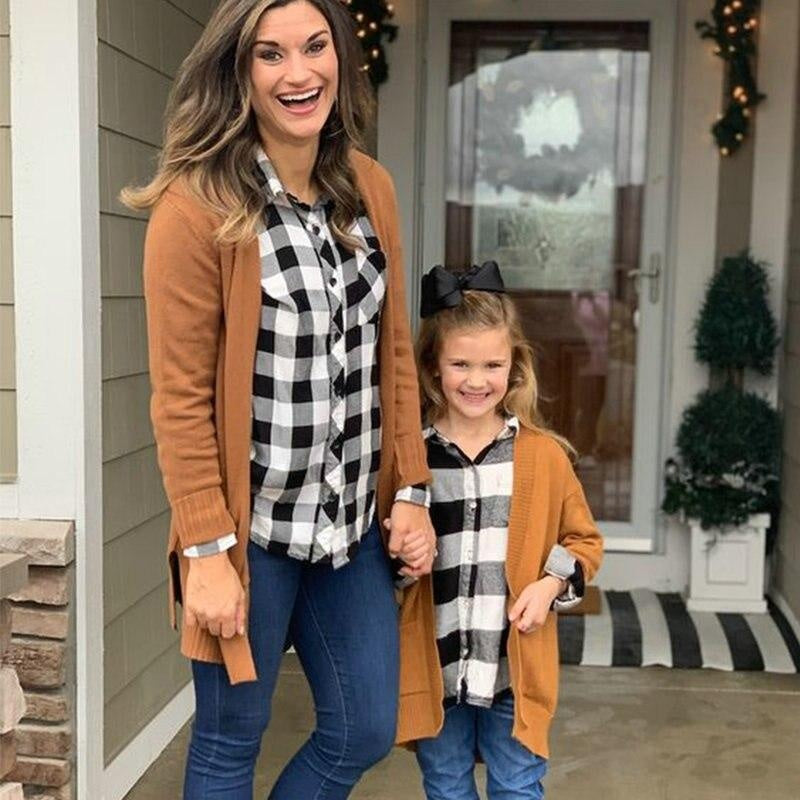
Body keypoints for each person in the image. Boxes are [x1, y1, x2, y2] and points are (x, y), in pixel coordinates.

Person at [122, 1, 435, 797]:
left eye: (314, 47)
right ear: (240, 72)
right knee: (231, 739)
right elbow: (181, 399)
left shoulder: (370, 189)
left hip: (350, 529)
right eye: (270, 55)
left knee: (365, 726)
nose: (299, 73)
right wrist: (204, 553)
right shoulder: (197, 209)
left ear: (339, 56)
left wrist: (410, 490)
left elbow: (392, 350)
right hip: (248, 532)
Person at [393, 263, 604, 799]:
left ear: (514, 367)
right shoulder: (410, 460)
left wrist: (550, 584)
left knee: (518, 785)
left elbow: (584, 542)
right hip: (438, 671)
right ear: (432, 367)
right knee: (445, 785)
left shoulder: (543, 458)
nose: (476, 380)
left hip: (514, 671)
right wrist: (400, 561)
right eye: (460, 363)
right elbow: (386, 553)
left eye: (492, 364)